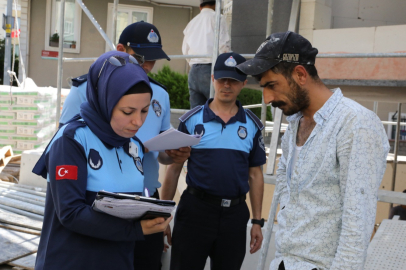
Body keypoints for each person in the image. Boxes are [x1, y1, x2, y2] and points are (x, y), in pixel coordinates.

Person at [236, 31, 390, 270]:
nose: (266, 98)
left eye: (272, 85)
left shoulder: (355, 123)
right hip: (284, 262)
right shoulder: (295, 124)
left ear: (299, 74)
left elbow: (358, 222)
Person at [59, 21, 190, 270]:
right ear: (121, 49)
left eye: (154, 60)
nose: (149, 66)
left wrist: (172, 155)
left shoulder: (158, 94)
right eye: (143, 58)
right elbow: (67, 144)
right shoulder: (84, 90)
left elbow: (161, 156)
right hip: (98, 202)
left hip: (145, 196)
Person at [32, 51, 172, 270]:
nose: (138, 121)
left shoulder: (133, 145)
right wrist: (136, 230)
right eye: (127, 111)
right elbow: (70, 213)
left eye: (144, 111)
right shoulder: (72, 139)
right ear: (105, 101)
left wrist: (153, 216)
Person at [162, 52, 266, 270]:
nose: (226, 85)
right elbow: (173, 170)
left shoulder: (252, 126)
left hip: (235, 216)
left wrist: (257, 221)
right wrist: (164, 214)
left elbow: (255, 174)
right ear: (212, 79)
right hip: (195, 212)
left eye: (234, 80)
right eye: (222, 79)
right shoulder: (191, 121)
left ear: (244, 83)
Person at [182, 0, 230, 108]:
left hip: (194, 70)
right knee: (218, 110)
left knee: (196, 113)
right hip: (211, 68)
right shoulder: (218, 17)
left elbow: (185, 50)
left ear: (200, 7)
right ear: (216, 4)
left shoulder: (192, 22)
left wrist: (195, 61)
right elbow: (223, 47)